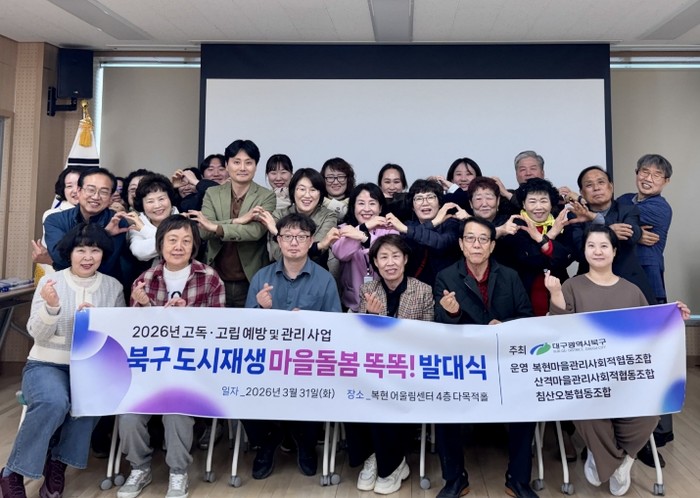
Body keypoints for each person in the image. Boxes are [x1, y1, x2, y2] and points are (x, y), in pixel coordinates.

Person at [544, 225, 691, 496]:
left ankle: (620, 459)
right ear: (584, 252)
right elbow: (559, 330)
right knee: (585, 409)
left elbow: (652, 330)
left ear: (614, 251)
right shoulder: (572, 285)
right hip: (587, 377)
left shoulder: (632, 290)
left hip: (627, 377)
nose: (597, 251)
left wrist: (674, 317)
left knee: (650, 411)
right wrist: (554, 294)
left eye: (604, 246)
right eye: (591, 246)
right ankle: (613, 461)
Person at [0, 223, 124, 498]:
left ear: (103, 254)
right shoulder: (50, 282)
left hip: (91, 368)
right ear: (69, 253)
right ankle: (13, 472)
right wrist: (52, 307)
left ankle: (57, 464)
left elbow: (118, 339)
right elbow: (36, 333)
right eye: (81, 250)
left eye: (95, 250)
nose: (88, 257)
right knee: (53, 401)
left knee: (89, 401)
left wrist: (97, 323)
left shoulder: (113, 287)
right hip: (46, 364)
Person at [117, 215, 225, 498]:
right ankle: (139, 468)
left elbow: (218, 331)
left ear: (194, 246)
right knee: (128, 415)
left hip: (191, 369)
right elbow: (133, 333)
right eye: (172, 240)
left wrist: (187, 315)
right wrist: (144, 306)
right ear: (160, 244)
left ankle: (178, 473)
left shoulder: (210, 278)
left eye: (186, 241)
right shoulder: (144, 279)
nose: (179, 247)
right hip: (149, 369)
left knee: (177, 412)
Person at [433, 217, 537, 498]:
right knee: (443, 404)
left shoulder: (510, 276)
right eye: (470, 238)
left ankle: (518, 479)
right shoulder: (446, 276)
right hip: (464, 364)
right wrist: (452, 313)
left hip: (503, 362)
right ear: (461, 244)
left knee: (526, 402)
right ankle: (455, 478)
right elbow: (439, 327)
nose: (476, 245)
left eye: (483, 239)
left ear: (492, 246)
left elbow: (526, 317)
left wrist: (504, 326)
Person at [243, 213, 341, 480]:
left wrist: (309, 322)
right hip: (267, 359)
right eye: (287, 236)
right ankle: (267, 442)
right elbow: (245, 330)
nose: (294, 242)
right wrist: (261, 310)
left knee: (314, 385)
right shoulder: (261, 277)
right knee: (240, 387)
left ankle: (305, 443)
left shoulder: (325, 279)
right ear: (279, 241)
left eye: (301, 237)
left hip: (308, 360)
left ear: (311, 241)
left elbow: (336, 328)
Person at [347, 234, 433, 494]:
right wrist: (371, 317)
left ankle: (391, 465)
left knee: (386, 396)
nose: (390, 262)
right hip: (374, 367)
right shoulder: (368, 290)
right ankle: (372, 456)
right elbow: (360, 338)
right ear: (375, 262)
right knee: (353, 393)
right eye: (383, 257)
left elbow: (429, 336)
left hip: (410, 369)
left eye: (396, 256)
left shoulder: (423, 290)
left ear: (405, 259)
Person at [617, 154, 675, 466]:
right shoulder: (627, 199)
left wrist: (626, 227)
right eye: (644, 171)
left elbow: (622, 223)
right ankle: (626, 431)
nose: (648, 178)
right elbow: (617, 221)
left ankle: (656, 435)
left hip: (649, 285)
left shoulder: (659, 207)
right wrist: (630, 228)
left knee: (651, 361)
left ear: (665, 181)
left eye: (656, 174)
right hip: (622, 284)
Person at [190, 139, 276, 308]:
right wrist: (236, 221)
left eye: (248, 163)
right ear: (227, 165)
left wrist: (216, 226)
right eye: (236, 162)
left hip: (250, 279)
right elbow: (204, 231)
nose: (242, 168)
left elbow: (255, 231)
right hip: (215, 278)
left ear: (256, 166)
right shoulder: (212, 193)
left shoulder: (266, 196)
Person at [567, 166, 656, 304]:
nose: (596, 188)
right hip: (590, 287)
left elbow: (632, 235)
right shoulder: (575, 215)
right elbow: (580, 251)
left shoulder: (627, 209)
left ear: (611, 186)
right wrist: (610, 231)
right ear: (582, 193)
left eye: (601, 182)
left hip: (629, 281)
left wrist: (595, 218)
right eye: (589, 185)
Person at [495, 178, 573, 317]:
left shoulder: (560, 223)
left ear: (551, 204)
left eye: (543, 201)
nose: (538, 207)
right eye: (532, 201)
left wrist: (544, 237)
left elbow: (565, 259)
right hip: (523, 292)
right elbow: (527, 258)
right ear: (523, 204)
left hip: (557, 291)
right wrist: (551, 235)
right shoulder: (515, 224)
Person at [44, 167, 129, 281]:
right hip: (65, 285)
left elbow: (105, 266)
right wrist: (105, 233)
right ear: (79, 191)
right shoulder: (56, 220)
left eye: (104, 192)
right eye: (90, 190)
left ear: (110, 197)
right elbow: (60, 258)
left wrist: (57, 263)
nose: (96, 197)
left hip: (106, 286)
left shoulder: (116, 221)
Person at [385, 179, 466, 286]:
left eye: (430, 197)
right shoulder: (408, 225)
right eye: (419, 198)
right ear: (412, 207)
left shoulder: (452, 223)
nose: (425, 203)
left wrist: (406, 229)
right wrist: (434, 222)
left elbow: (441, 242)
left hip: (447, 287)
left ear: (439, 203)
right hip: (414, 289)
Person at [331, 183, 398, 312]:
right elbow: (340, 254)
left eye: (372, 203)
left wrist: (363, 238)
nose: (366, 209)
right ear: (353, 207)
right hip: (352, 304)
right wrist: (363, 228)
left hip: (385, 304)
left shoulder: (391, 230)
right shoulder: (344, 228)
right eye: (361, 203)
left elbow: (390, 253)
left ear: (380, 208)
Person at [256, 168, 339, 269]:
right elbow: (279, 256)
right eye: (302, 189)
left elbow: (318, 253)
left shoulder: (328, 216)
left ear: (320, 193)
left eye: (313, 190)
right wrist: (318, 246)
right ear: (293, 191)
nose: (307, 195)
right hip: (281, 274)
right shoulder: (279, 215)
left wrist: (277, 232)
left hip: (316, 272)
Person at [32, 166, 83, 277]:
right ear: (63, 190)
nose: (75, 190)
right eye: (69, 186)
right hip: (58, 273)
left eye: (79, 185)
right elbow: (62, 251)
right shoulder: (52, 216)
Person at [125, 173, 179, 264]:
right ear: (142, 205)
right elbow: (139, 252)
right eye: (150, 201)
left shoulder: (184, 221)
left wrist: (144, 230)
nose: (157, 206)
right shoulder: (138, 223)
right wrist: (172, 239)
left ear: (170, 199)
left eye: (161, 199)